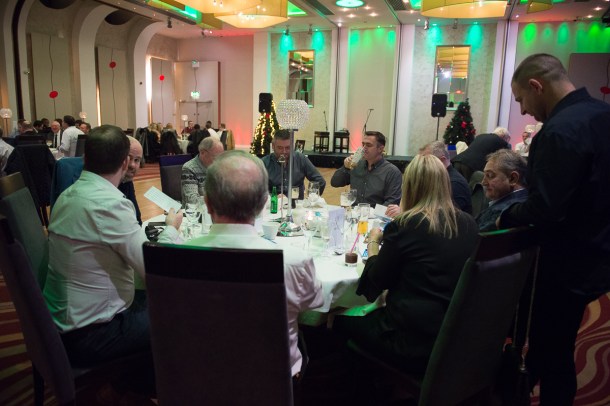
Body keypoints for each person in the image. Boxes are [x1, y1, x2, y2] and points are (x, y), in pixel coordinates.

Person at [499, 53, 610, 405]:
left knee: (553, 353)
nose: (524, 111)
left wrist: (506, 216)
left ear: (537, 86)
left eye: (522, 100)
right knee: (557, 347)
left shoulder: (559, 130)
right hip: (599, 253)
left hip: (564, 264)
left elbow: (544, 209)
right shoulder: (603, 114)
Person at [43, 125, 182, 398]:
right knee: (178, 313)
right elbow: (155, 267)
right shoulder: (110, 204)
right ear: (124, 162)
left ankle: (133, 379)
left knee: (150, 299)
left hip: (61, 324)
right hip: (92, 335)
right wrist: (171, 228)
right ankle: (161, 389)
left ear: (85, 158)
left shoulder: (67, 195)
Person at [334, 154, 478, 375]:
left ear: (410, 186)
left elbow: (376, 281)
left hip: (409, 340)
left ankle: (358, 385)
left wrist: (374, 242)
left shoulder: (407, 225)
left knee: (340, 319)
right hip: (453, 336)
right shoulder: (468, 223)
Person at [185, 150, 324, 379]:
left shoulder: (178, 257)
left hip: (196, 377)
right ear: (263, 205)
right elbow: (314, 304)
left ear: (207, 204)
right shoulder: (293, 261)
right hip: (272, 382)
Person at [330, 131, 402, 206]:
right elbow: (335, 183)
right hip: (354, 211)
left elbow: (392, 202)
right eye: (363, 144)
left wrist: (374, 213)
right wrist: (345, 167)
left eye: (368, 145)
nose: (364, 148)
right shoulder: (356, 165)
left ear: (380, 149)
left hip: (375, 212)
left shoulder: (392, 172)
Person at [262, 129, 326, 200]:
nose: (284, 151)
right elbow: (258, 190)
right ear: (273, 146)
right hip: (273, 204)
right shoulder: (264, 163)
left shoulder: (300, 159)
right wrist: (273, 197)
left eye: (287, 148)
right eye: (280, 148)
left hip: (297, 204)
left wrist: (311, 198)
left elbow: (320, 181)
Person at [476, 149, 527, 232]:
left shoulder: (501, 213)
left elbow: (472, 237)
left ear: (512, 178)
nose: (483, 182)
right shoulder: (527, 202)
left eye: (490, 175)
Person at [181, 136, 224, 203]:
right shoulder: (189, 168)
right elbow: (192, 200)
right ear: (203, 152)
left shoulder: (219, 166)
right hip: (198, 209)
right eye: (216, 157)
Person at [118, 136, 144, 225]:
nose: (132, 165)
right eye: (128, 158)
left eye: (137, 160)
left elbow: (137, 219)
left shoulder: (127, 181)